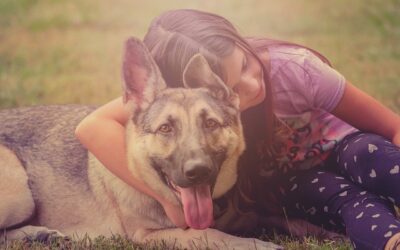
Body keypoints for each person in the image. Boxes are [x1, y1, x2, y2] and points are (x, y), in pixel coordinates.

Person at [75, 9, 400, 250]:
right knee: (347, 200)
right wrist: (168, 198)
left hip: (350, 147)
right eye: (231, 85)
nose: (252, 84)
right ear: (195, 86)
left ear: (240, 41)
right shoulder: (175, 98)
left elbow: (392, 126)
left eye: (245, 63)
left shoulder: (295, 69)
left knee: (369, 154)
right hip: (297, 179)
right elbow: (91, 127)